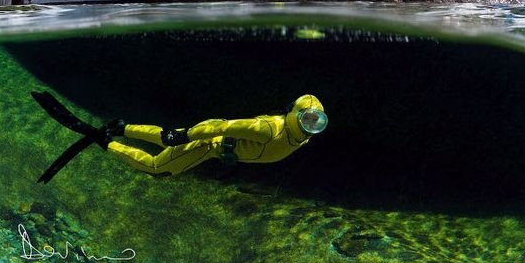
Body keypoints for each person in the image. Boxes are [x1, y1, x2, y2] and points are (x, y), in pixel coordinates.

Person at [32, 92, 327, 181]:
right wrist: (185, 135)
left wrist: (177, 137)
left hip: (220, 148)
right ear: (293, 114)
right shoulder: (270, 130)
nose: (310, 126)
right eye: (307, 119)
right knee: (158, 168)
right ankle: (106, 141)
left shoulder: (301, 137)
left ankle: (122, 127)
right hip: (208, 145)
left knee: (164, 138)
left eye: (316, 123)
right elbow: (221, 125)